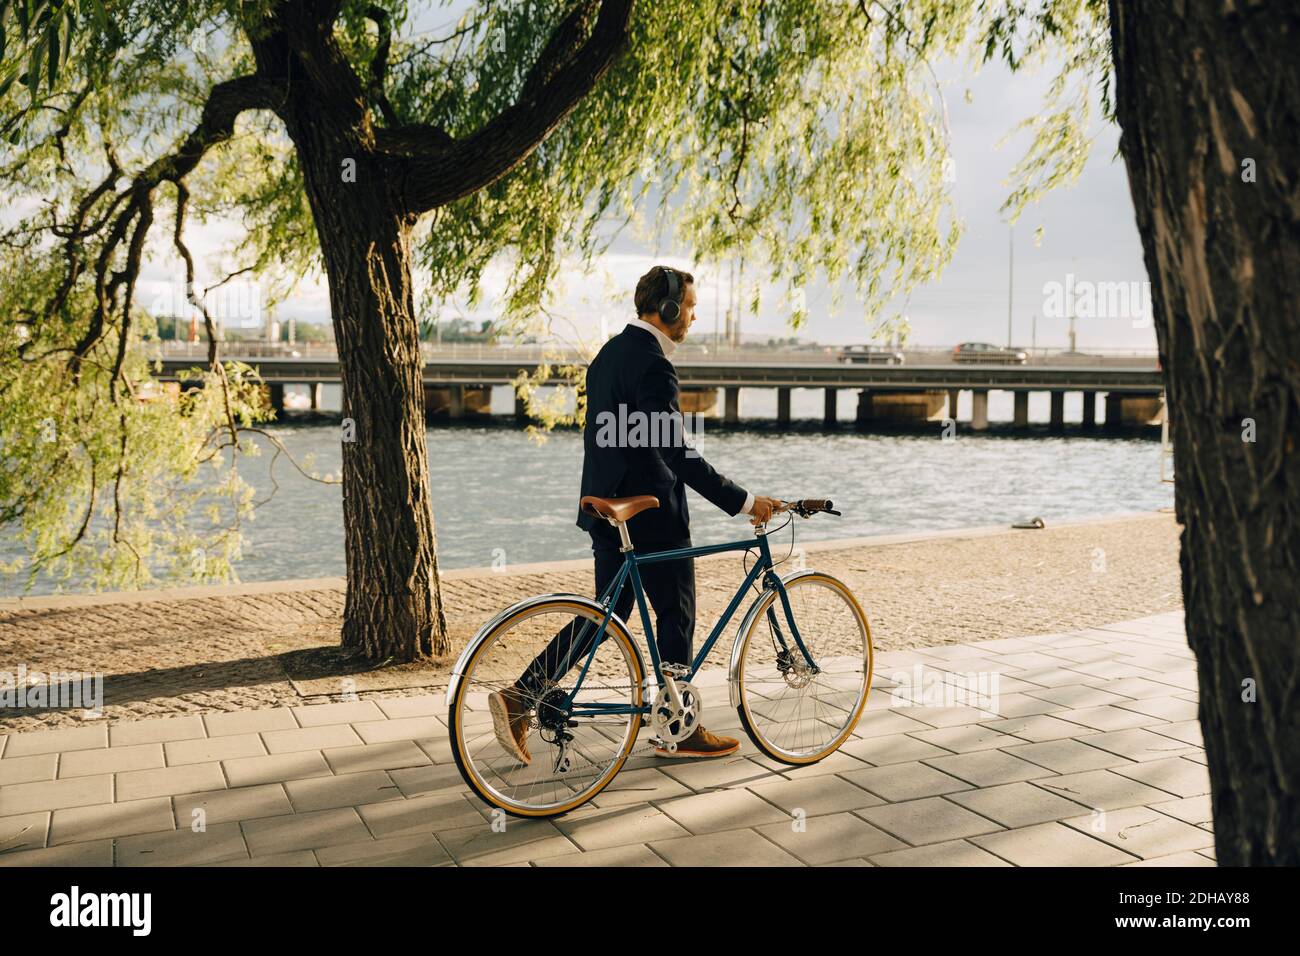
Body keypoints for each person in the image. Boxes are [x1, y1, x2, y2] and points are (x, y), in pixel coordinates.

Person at [490, 265, 780, 763]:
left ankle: (524, 693)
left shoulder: (608, 355)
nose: (692, 317)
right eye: (688, 307)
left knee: (609, 611)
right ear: (666, 310)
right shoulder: (653, 363)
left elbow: (613, 437)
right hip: (649, 513)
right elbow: (676, 452)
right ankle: (679, 728)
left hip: (605, 508)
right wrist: (744, 500)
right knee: (675, 611)